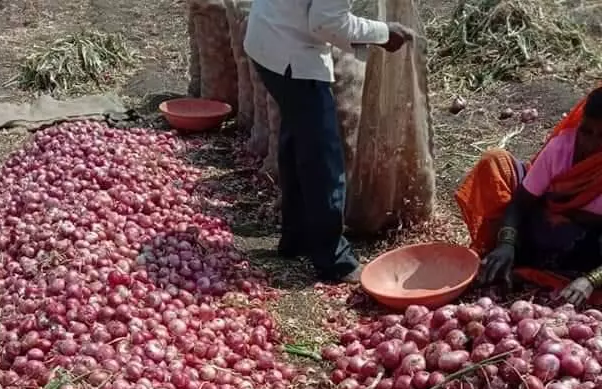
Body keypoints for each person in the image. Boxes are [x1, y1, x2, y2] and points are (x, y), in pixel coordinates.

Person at [244, 0, 414, 284]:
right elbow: (326, 23)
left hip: (267, 40)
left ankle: (296, 236)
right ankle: (334, 260)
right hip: (291, 55)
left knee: (298, 138)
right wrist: (382, 33)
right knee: (323, 158)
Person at [456, 86, 602, 308]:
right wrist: (506, 243)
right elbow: (520, 203)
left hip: (586, 245)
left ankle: (558, 275)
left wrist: (591, 280)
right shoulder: (561, 148)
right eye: (586, 131)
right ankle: (499, 257)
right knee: (495, 163)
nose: (590, 144)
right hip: (538, 222)